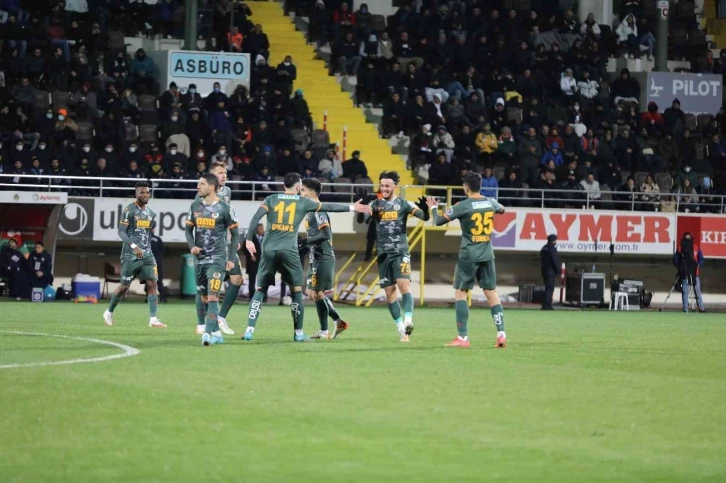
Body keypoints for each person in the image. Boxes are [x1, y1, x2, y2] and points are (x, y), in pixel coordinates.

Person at [242, 173, 371, 341]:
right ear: (297, 187)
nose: (301, 192)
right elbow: (329, 207)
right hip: (298, 253)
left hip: (307, 254)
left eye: (304, 190)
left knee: (264, 290)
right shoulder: (303, 204)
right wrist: (352, 208)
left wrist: (249, 240)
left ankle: (250, 329)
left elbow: (255, 218)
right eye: (300, 188)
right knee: (303, 293)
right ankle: (304, 331)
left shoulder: (273, 199)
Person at [424, 172, 507, 348]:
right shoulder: (490, 202)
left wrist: (433, 207)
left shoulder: (462, 206)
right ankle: (501, 334)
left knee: (461, 293)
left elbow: (438, 221)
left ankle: (463, 338)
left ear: (466, 187)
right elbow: (502, 209)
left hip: (469, 255)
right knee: (491, 293)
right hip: (487, 254)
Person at [361, 171, 430, 342]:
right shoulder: (375, 204)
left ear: (395, 186)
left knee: (404, 285)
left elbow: (424, 217)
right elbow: (362, 218)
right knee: (390, 294)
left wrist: (426, 210)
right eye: (382, 185)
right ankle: (402, 331)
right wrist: (362, 206)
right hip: (383, 254)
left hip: (400, 252)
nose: (384, 188)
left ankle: (408, 321)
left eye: (387, 186)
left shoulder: (404, 204)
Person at [185, 174, 241, 346]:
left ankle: (207, 335)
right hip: (200, 260)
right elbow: (188, 230)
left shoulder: (225, 208)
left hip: (217, 259)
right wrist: (192, 246)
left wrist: (230, 258)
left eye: (201, 184)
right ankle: (216, 333)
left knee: (213, 297)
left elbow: (236, 234)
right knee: (203, 298)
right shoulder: (195, 205)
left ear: (211, 186)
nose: (198, 186)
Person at [103, 182, 166, 328]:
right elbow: (121, 232)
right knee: (124, 286)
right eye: (142, 192)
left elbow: (146, 234)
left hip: (147, 255)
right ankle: (108, 312)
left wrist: (145, 249)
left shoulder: (151, 214)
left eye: (147, 192)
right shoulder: (128, 210)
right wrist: (134, 247)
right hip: (130, 255)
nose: (145, 195)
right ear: (136, 194)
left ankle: (153, 319)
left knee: (152, 283)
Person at [299, 178, 349, 339]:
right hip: (315, 257)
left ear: (312, 192)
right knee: (312, 293)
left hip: (323, 257)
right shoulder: (310, 211)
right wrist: (305, 246)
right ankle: (338, 322)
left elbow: (325, 234)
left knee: (317, 294)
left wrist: (306, 241)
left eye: (303, 190)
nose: (301, 193)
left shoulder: (318, 211)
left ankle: (325, 330)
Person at [195, 161, 239, 336]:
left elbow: (227, 217)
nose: (224, 176)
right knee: (203, 287)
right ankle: (201, 324)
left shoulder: (227, 191)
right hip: (208, 246)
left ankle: (221, 318)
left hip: (225, 244)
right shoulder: (201, 196)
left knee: (237, 279)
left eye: (225, 173)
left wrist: (233, 238)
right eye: (221, 173)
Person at [673, 232, 705, 313]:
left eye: (689, 238)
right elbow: (675, 259)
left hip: (695, 273)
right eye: (686, 238)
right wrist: (679, 266)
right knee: (685, 291)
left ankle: (701, 308)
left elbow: (701, 259)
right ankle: (685, 309)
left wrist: (698, 265)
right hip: (684, 273)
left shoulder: (696, 248)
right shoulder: (680, 248)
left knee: (697, 291)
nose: (687, 240)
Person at [540, 234, 560, 310]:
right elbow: (555, 260)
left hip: (544, 270)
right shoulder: (552, 249)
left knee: (547, 288)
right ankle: (547, 305)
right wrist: (558, 270)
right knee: (550, 289)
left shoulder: (544, 248)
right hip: (550, 271)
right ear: (553, 241)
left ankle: (545, 305)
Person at [149, 223, 165, 303]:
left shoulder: (144, 240)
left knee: (149, 281)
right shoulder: (157, 239)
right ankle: (162, 298)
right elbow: (162, 252)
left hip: (148, 264)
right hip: (156, 264)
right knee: (158, 281)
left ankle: (148, 298)